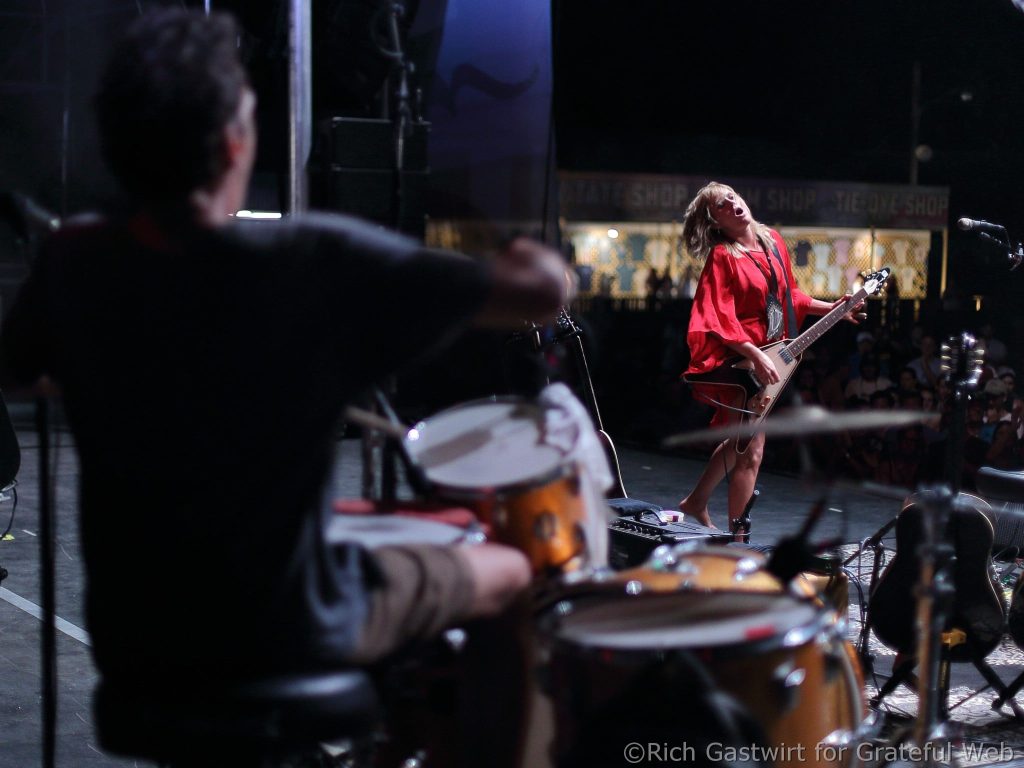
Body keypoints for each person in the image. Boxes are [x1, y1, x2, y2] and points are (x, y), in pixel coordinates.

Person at [0, 8, 574, 755]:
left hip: (138, 643)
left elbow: (18, 369)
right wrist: (514, 238)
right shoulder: (311, 259)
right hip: (287, 628)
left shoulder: (74, 260)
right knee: (510, 569)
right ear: (235, 141)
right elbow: (542, 291)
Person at [677, 182, 861, 530]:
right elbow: (717, 314)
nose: (732, 204)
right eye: (721, 206)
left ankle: (696, 501)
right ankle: (738, 542)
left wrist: (835, 309)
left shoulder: (772, 241)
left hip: (770, 356)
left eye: (732, 197)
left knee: (741, 440)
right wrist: (752, 353)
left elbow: (790, 296)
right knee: (752, 450)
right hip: (739, 359)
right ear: (715, 223)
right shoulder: (723, 255)